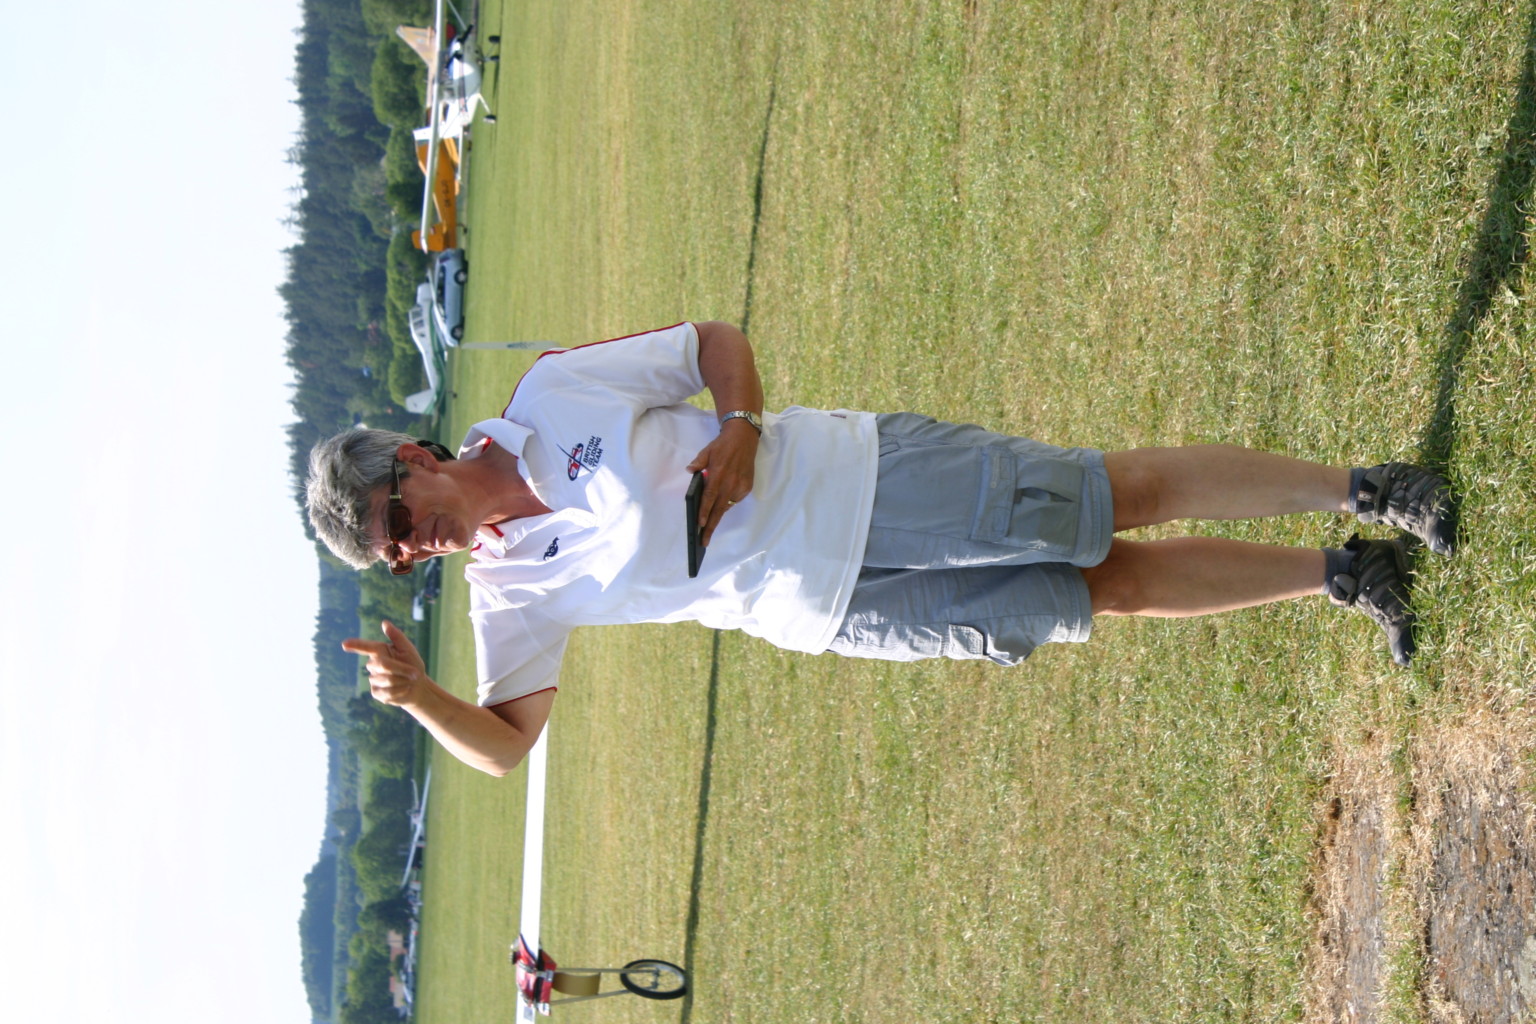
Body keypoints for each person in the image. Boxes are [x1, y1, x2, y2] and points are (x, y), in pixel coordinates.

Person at [308, 321, 1457, 777]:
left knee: (1116, 495)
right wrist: (422, 697)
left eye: (399, 523)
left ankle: (1371, 490)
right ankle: (1349, 575)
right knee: (1100, 592)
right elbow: (507, 746)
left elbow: (710, 343)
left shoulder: (553, 393)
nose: (415, 549)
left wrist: (740, 427)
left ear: (410, 457)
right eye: (395, 560)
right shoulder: (508, 592)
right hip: (831, 609)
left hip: (858, 478)